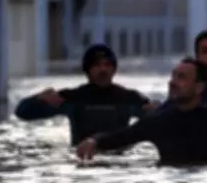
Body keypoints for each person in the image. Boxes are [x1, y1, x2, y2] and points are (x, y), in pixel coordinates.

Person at [76, 58, 207, 166]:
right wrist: (94, 141)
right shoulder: (158, 122)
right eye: (173, 76)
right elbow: (120, 137)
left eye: (181, 77)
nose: (172, 82)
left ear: (198, 88)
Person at [14, 44, 159, 145]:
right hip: (83, 159)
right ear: (87, 70)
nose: (103, 70)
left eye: (108, 65)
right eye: (97, 65)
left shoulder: (130, 98)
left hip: (119, 161)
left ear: (114, 70)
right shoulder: (72, 97)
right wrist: (38, 98)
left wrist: (156, 108)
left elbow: (161, 119)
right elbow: (22, 113)